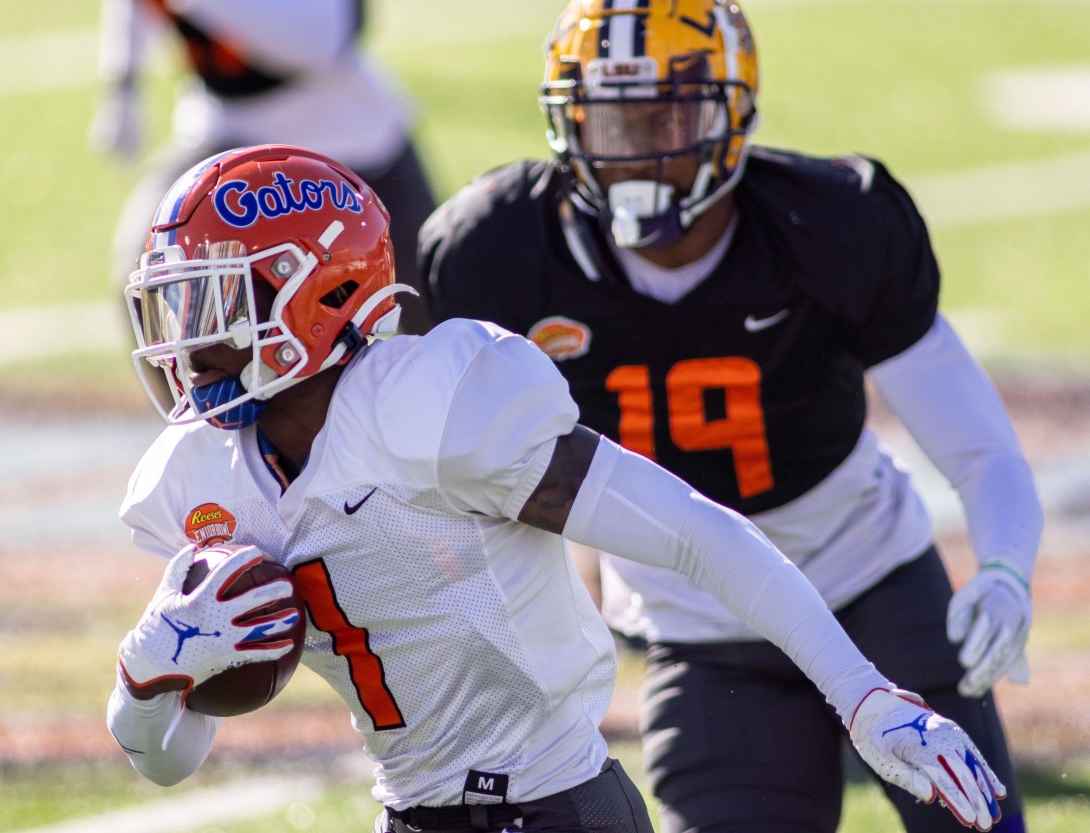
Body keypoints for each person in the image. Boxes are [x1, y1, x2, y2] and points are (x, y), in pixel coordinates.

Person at [104, 144, 1006, 833]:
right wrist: (143, 681)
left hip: (558, 807)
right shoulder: (197, 477)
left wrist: (863, 695)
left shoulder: (439, 407)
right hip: (407, 813)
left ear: (316, 295)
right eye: (175, 309)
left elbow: (692, 530)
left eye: (212, 306)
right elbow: (170, 760)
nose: (183, 343)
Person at [417, 1, 1043, 832]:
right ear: (565, 122)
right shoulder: (494, 250)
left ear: (733, 112)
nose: (638, 149)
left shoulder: (829, 224)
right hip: (700, 625)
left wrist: (1003, 566)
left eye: (666, 116)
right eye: (609, 121)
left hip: (867, 579)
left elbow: (980, 449)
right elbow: (439, 477)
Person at [89, 0, 436, 335]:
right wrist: (124, 83)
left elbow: (318, 43)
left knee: (432, 305)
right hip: (225, 133)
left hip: (351, 141)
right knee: (146, 275)